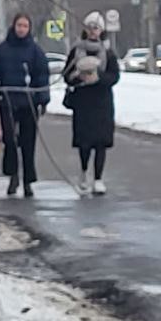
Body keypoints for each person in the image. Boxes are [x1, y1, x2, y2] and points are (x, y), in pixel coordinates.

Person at [0, 13, 50, 197]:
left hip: (29, 104)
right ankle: (13, 176)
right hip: (8, 102)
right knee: (10, 141)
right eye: (19, 25)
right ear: (14, 26)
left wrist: (43, 99)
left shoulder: (35, 52)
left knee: (28, 143)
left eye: (25, 26)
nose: (22, 29)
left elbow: (42, 76)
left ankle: (28, 181)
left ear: (29, 28)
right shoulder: (2, 51)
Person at [62, 11, 120, 196]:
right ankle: (84, 173)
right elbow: (66, 76)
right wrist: (77, 77)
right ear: (85, 29)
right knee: (85, 143)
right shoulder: (76, 50)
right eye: (90, 27)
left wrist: (99, 77)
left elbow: (114, 76)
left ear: (101, 30)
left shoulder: (108, 52)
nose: (93, 31)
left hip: (102, 102)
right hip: (83, 102)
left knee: (101, 143)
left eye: (96, 28)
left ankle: (98, 179)